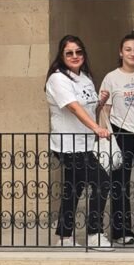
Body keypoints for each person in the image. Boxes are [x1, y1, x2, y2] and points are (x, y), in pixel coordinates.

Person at [45, 34, 112, 248]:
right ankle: (94, 233)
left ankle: (64, 236)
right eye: (69, 53)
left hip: (84, 144)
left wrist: (99, 103)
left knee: (73, 189)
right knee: (102, 182)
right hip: (68, 145)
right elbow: (73, 107)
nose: (75, 56)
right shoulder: (57, 79)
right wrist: (97, 128)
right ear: (61, 56)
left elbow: (88, 109)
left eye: (78, 52)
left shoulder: (85, 77)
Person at [97, 34, 134, 246]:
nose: (132, 53)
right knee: (119, 184)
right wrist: (104, 136)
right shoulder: (111, 78)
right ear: (120, 52)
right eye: (128, 49)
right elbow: (105, 110)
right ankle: (121, 231)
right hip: (120, 133)